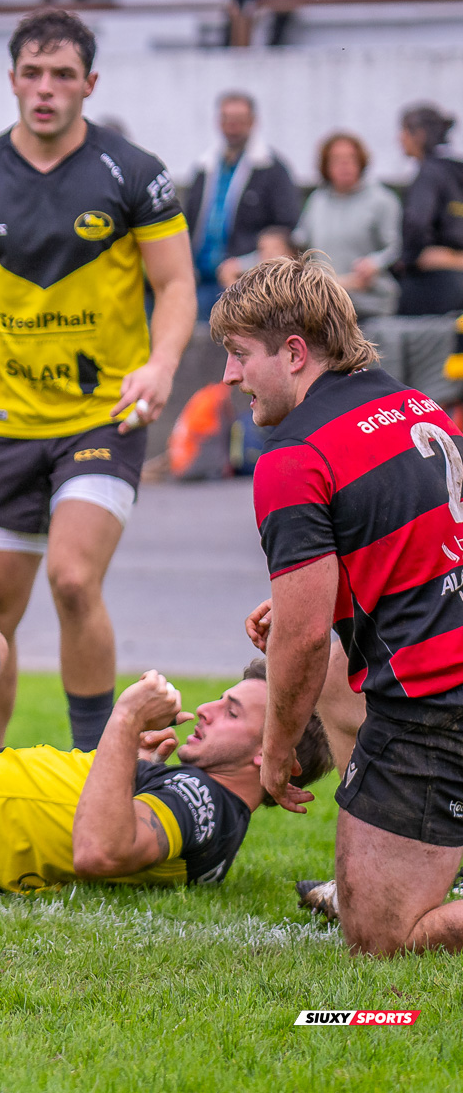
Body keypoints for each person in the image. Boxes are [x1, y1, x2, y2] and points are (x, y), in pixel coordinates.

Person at [0, 9, 196, 752]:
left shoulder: (134, 173)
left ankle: (97, 760)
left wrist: (159, 366)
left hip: (103, 417)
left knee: (70, 578)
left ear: (90, 83)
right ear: (12, 80)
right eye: (33, 73)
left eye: (64, 75)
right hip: (6, 424)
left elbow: (178, 285)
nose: (47, 89)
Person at [212, 253, 463, 956]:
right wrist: (313, 596)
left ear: (294, 354)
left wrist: (276, 750)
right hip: (442, 671)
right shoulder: (413, 405)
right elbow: (421, 540)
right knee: (333, 667)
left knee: (380, 937)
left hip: (437, 703)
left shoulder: (293, 458)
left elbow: (297, 639)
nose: (229, 378)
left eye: (238, 356)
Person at [0, 635, 334, 894]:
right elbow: (86, 816)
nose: (209, 708)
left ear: (272, 755)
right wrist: (131, 765)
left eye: (233, 711)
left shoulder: (204, 803)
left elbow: (99, 849)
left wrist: (124, 720)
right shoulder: (210, 814)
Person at [225, 133, 399, 320]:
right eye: (337, 160)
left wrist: (375, 263)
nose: (344, 165)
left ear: (362, 162)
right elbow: (296, 245)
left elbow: (395, 248)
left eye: (351, 158)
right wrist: (245, 263)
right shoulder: (318, 200)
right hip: (325, 303)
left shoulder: (382, 200)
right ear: (326, 166)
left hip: (369, 303)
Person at [183, 92, 303, 322]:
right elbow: (188, 221)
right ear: (218, 122)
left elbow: (286, 229)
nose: (233, 125)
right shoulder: (204, 168)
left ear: (253, 122)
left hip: (246, 284)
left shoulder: (271, 169)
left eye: (239, 119)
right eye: (227, 119)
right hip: (200, 281)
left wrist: (248, 263)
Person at [396, 103, 463, 316]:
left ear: (420, 134)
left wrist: (408, 259)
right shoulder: (455, 170)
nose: (400, 138)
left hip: (435, 283)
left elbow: (417, 222)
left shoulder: (429, 174)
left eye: (404, 130)